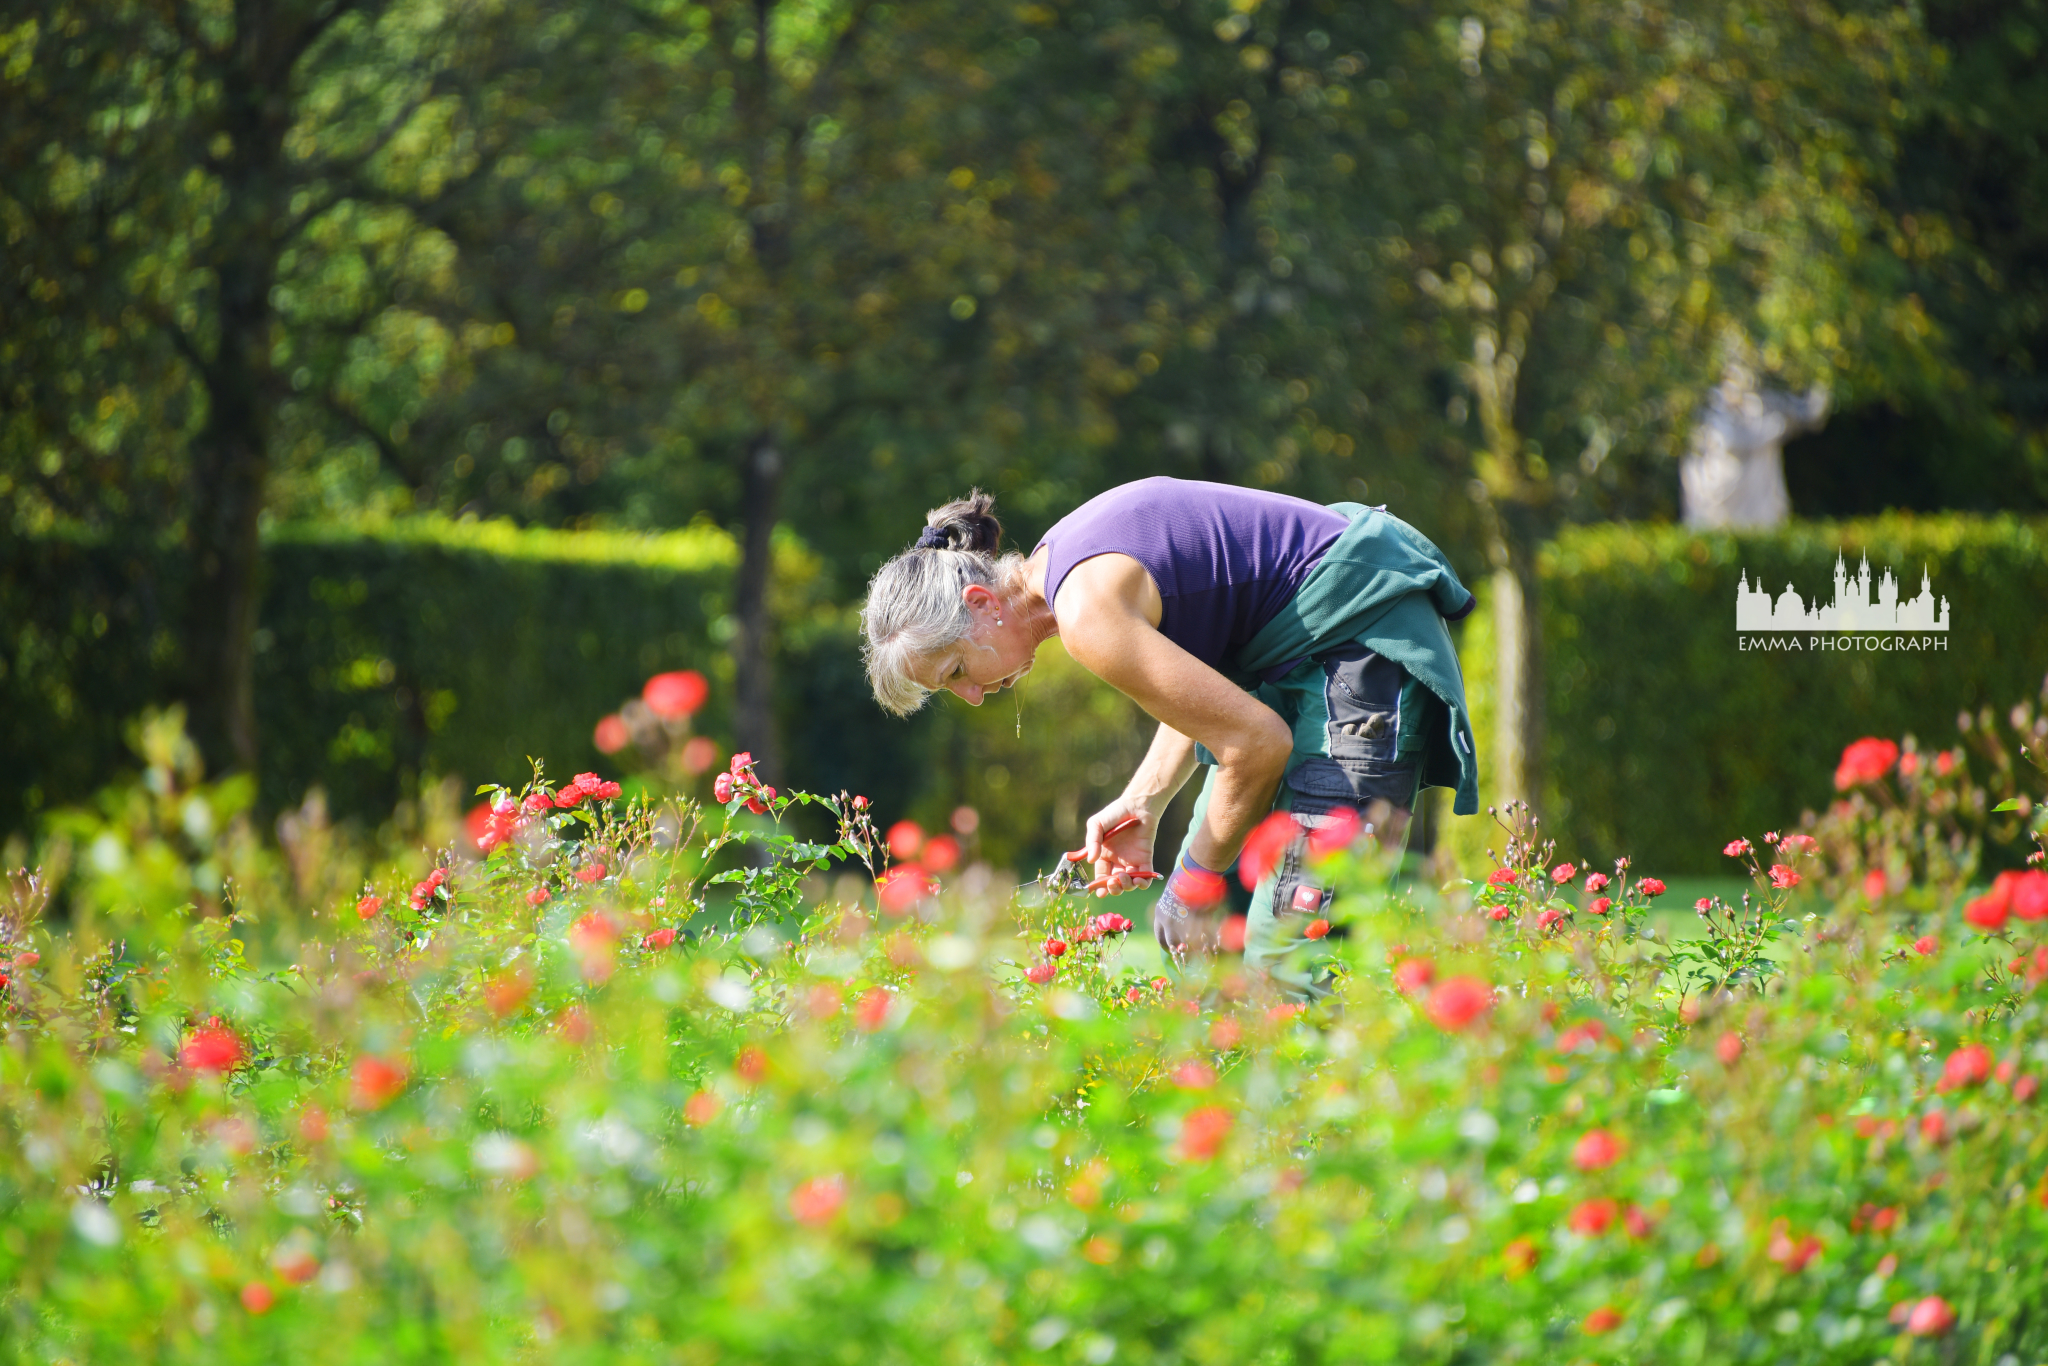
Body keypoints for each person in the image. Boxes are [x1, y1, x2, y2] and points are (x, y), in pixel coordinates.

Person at [860, 477, 1478, 998]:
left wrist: (1189, 885)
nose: (972, 696)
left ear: (979, 603)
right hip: (1306, 653)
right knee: (1274, 933)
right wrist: (1144, 800)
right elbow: (1205, 697)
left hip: (1356, 636)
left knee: (1295, 953)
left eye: (958, 673)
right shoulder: (1060, 564)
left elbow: (1255, 745)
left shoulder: (1083, 613)